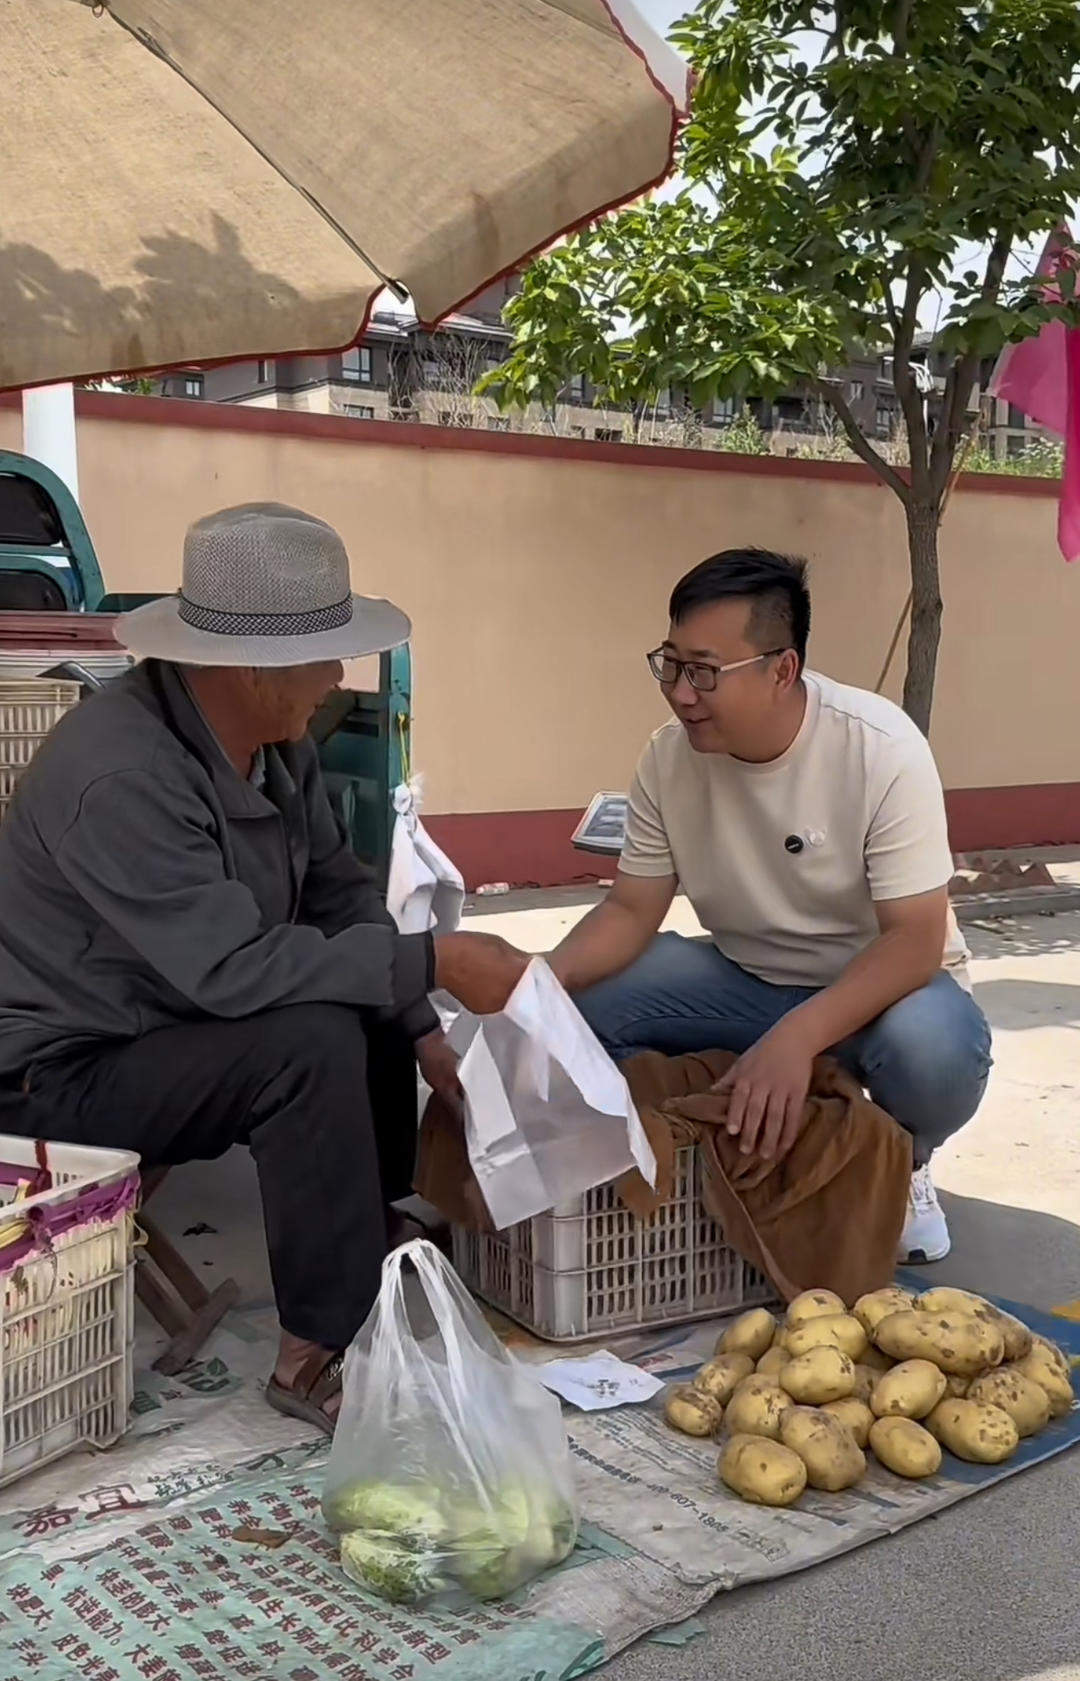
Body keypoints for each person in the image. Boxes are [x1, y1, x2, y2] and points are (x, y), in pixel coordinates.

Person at [0, 503, 528, 1432]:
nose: (336, 681)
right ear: (254, 665)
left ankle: (362, 1223)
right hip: (55, 1070)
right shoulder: (120, 773)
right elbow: (235, 969)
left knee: (363, 982)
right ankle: (315, 1348)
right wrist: (439, 958)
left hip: (161, 1019)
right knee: (309, 1036)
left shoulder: (277, 747)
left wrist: (422, 1024)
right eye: (326, 659)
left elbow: (339, 893)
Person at [550, 548, 991, 1264]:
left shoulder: (881, 749)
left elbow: (914, 941)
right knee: (582, 1001)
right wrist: (540, 980)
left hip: (880, 995)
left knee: (937, 1051)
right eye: (670, 664)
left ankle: (899, 1160)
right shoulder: (668, 759)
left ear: (782, 669)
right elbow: (630, 911)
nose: (681, 693)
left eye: (703, 671)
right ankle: (719, 1135)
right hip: (746, 981)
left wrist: (796, 1040)